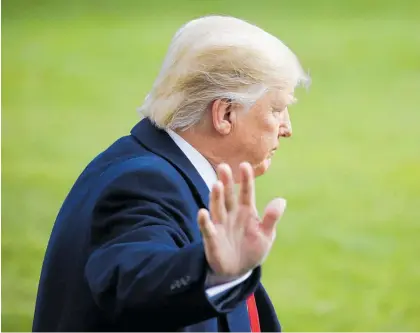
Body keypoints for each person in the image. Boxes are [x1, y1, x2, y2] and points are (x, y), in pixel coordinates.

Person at [32, 15, 310, 332]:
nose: (287, 128)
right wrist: (213, 271)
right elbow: (131, 284)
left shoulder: (165, 169)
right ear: (225, 114)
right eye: (276, 109)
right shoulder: (142, 184)